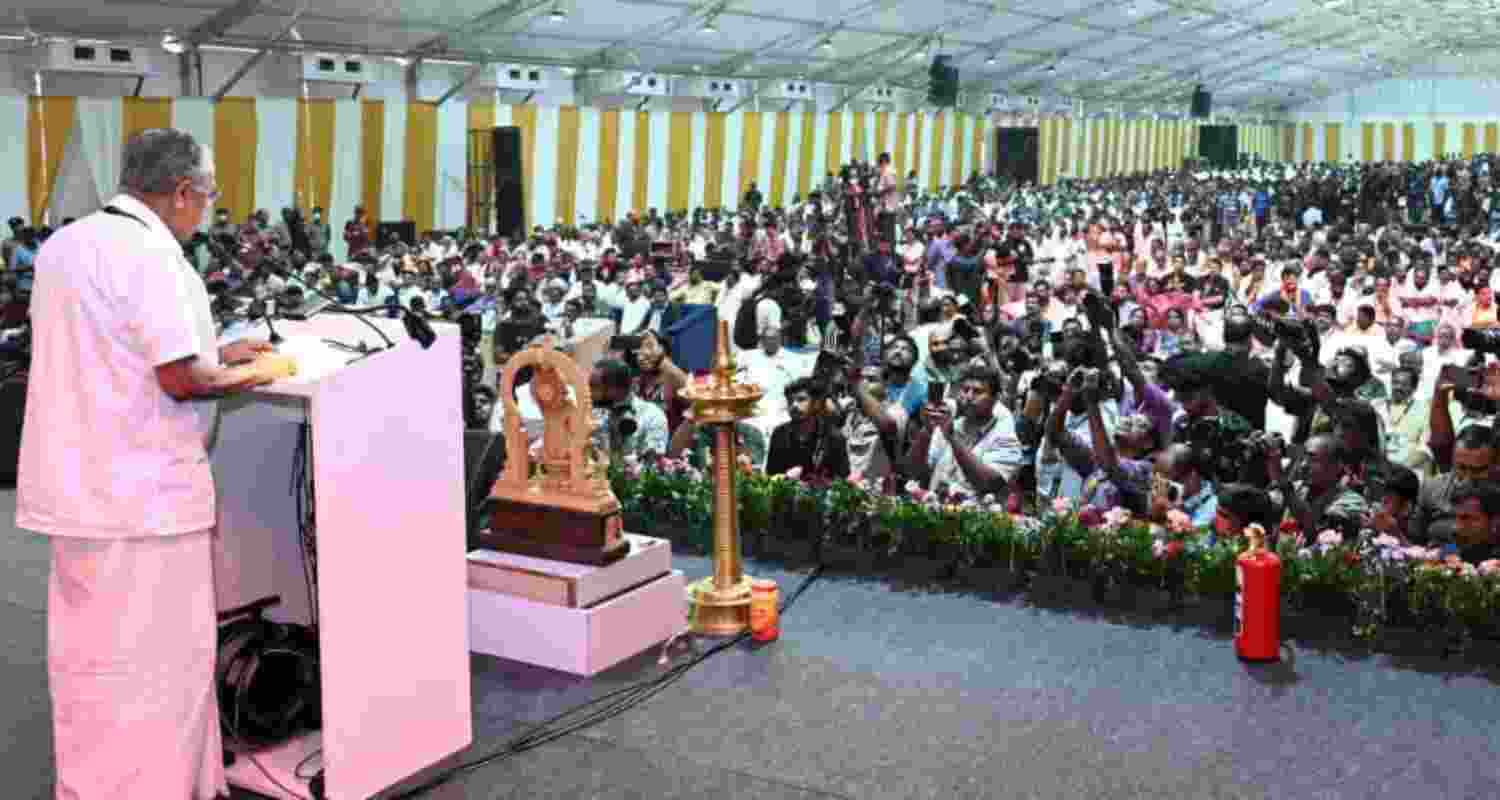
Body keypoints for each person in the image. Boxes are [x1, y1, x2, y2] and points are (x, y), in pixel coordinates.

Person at [18, 128, 294, 800]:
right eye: (207, 196)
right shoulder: (154, 257)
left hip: (79, 492)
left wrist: (217, 351)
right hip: (143, 502)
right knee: (157, 666)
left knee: (89, 661)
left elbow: (114, 352)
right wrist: (265, 370)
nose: (206, 209)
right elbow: (178, 380)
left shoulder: (66, 245)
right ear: (180, 193)